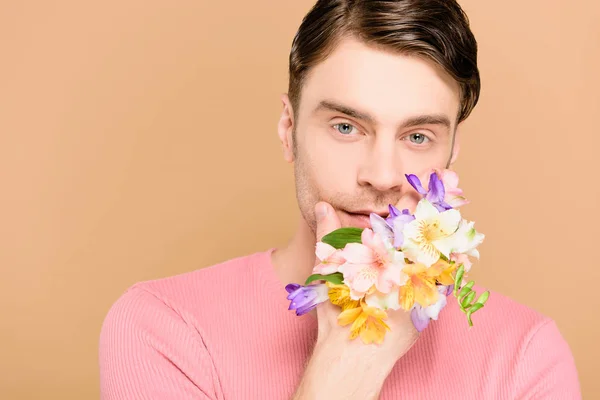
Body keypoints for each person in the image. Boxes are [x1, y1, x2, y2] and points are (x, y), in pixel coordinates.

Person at [99, 0, 581, 398]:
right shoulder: (165, 329)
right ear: (289, 130)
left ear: (451, 152)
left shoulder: (526, 358)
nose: (382, 175)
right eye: (346, 127)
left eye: (417, 137)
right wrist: (348, 365)